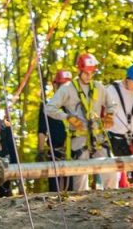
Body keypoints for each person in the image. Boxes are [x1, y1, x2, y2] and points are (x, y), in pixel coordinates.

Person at [44, 53, 117, 191]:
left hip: (98, 136)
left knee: (110, 170)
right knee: (80, 175)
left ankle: (112, 199)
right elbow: (49, 108)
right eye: (85, 73)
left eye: (91, 73)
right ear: (79, 70)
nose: (89, 76)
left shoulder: (99, 87)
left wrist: (110, 115)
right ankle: (80, 205)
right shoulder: (67, 88)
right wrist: (67, 117)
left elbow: (112, 104)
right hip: (79, 137)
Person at [102, 64, 133, 188]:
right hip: (114, 137)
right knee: (120, 176)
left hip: (132, 137)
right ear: (127, 79)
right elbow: (101, 112)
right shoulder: (111, 90)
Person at [37, 70, 72, 193]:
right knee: (54, 187)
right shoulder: (47, 106)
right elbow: (42, 130)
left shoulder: (75, 107)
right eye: (61, 86)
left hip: (72, 150)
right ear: (55, 86)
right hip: (54, 151)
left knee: (72, 187)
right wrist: (40, 151)